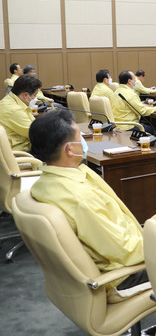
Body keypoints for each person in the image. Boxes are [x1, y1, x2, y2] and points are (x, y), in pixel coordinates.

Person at [29, 110, 147, 292]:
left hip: (122, 245)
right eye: (80, 138)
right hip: (124, 272)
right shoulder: (80, 198)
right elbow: (125, 250)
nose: (84, 141)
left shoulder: (44, 182)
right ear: (69, 149)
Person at [0, 74, 42, 151]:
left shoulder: (10, 101)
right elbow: (37, 134)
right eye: (34, 95)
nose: (35, 98)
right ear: (25, 95)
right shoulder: (14, 110)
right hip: (21, 153)